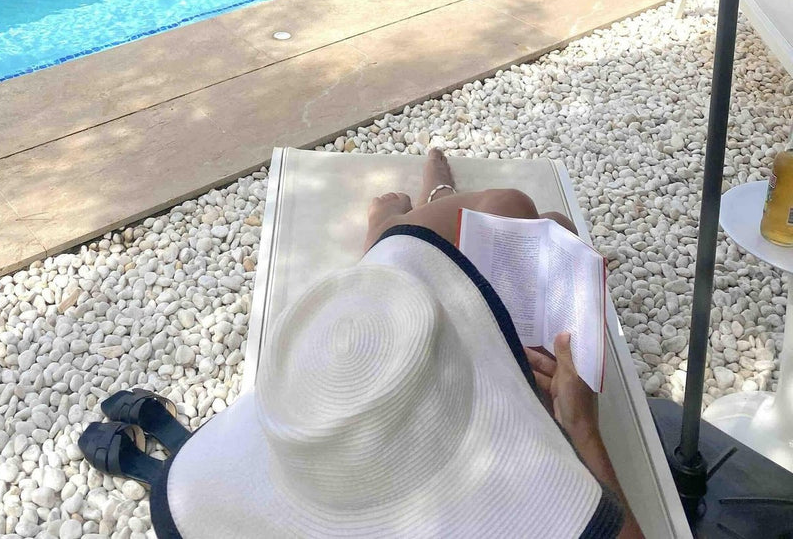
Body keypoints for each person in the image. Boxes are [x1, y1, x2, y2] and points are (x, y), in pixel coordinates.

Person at [88, 148, 646, 539]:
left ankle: (390, 234)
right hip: (445, 424)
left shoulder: (332, 441)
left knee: (518, 218)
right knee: (538, 219)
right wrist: (582, 428)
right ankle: (401, 226)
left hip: (383, 440)